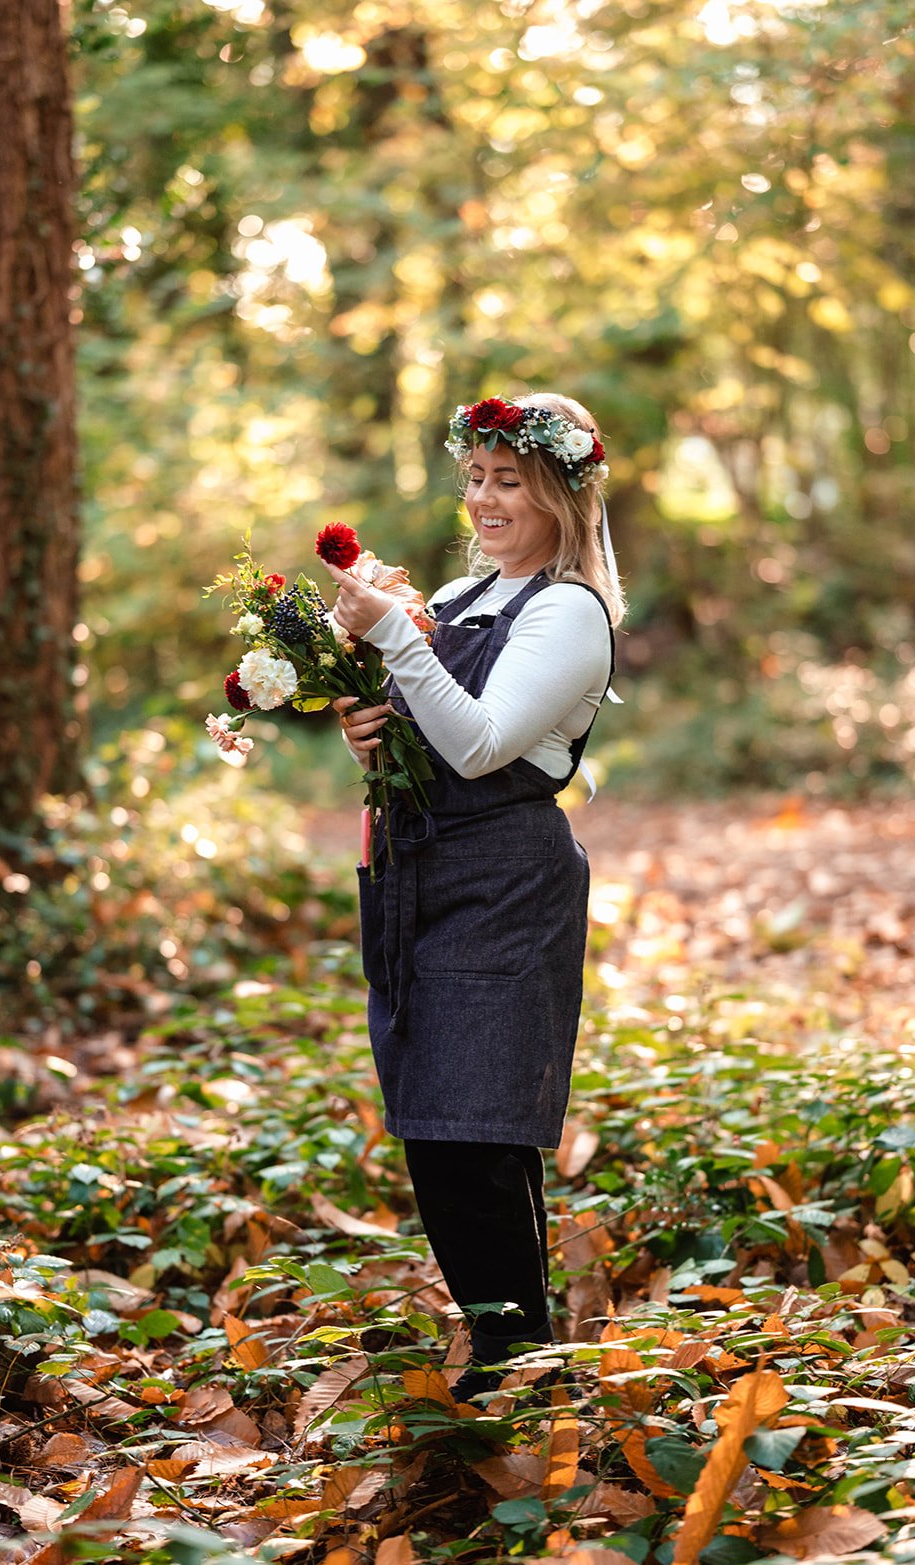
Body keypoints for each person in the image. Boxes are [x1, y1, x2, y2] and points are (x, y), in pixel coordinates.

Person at [323, 391, 624, 1402]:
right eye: (478, 481)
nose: (485, 501)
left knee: (478, 1136)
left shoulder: (567, 613)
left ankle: (518, 1375)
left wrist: (396, 643)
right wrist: (364, 725)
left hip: (502, 884)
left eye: (510, 484)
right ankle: (514, 1359)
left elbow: (485, 742)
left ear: (561, 497)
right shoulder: (457, 598)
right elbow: (424, 727)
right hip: (419, 878)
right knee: (438, 1133)